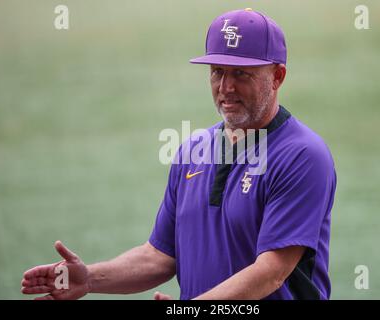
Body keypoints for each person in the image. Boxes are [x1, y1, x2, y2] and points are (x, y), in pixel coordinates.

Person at [21, 8, 337, 300]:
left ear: (277, 76)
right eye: (217, 72)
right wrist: (90, 279)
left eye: (241, 74)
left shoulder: (302, 156)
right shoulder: (193, 150)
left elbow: (270, 273)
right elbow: (160, 256)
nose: (225, 87)